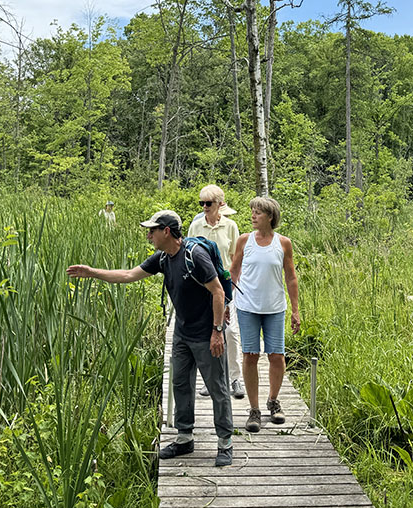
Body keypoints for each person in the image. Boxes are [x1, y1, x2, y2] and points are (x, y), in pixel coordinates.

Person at [67, 210, 234, 467]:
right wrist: (92, 272)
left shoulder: (195, 256)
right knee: (180, 384)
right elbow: (128, 275)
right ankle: (184, 438)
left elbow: (218, 291)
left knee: (217, 388)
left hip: (206, 334)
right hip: (182, 333)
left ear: (166, 231)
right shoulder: (164, 258)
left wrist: (217, 332)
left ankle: (225, 443)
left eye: (152, 231)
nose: (148, 235)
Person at [230, 196, 301, 433]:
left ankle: (273, 400)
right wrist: (225, 305)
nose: (253, 216)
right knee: (250, 355)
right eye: (252, 211)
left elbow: (290, 277)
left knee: (276, 356)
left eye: (258, 212)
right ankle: (254, 409)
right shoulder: (244, 241)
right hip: (247, 306)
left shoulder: (283, 243)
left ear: (270, 217)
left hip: (275, 308)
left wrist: (296, 310)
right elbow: (234, 272)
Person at [187, 184, 245, 400]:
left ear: (220, 204)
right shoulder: (196, 226)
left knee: (229, 331)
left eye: (208, 203)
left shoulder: (230, 226)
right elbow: (190, 255)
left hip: (225, 286)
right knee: (207, 332)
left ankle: (235, 378)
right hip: (202, 287)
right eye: (201, 203)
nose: (204, 207)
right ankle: (210, 379)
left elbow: (235, 258)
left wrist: (227, 287)